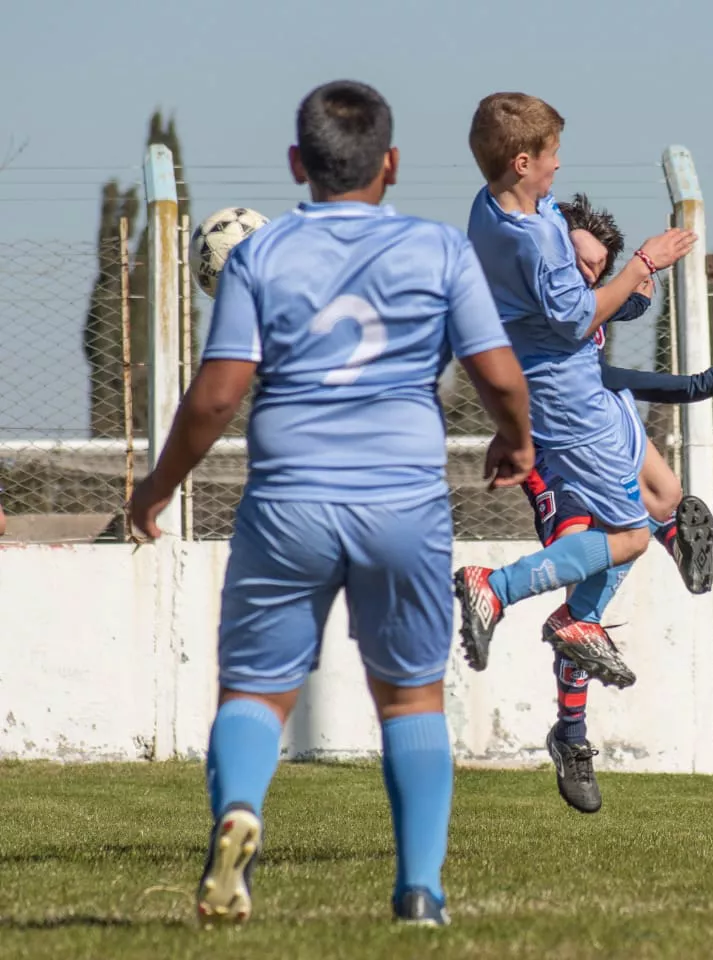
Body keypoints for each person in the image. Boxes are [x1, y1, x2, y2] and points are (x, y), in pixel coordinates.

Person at [128, 80, 532, 929]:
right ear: (390, 163)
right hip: (402, 503)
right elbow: (498, 374)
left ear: (296, 165)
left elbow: (215, 397)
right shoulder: (438, 251)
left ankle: (241, 811)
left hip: (290, 504)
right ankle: (420, 891)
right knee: (412, 697)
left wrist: (158, 487)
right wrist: (517, 441)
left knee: (254, 690)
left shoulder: (260, 256)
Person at [456, 92, 696, 690]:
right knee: (630, 532)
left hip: (550, 392)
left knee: (652, 505)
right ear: (520, 162)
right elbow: (579, 320)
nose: (557, 166)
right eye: (550, 155)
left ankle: (579, 622)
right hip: (568, 399)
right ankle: (502, 589)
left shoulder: (488, 208)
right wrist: (642, 264)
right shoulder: (536, 242)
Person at [534, 194, 713, 812]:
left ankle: (670, 523)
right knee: (583, 590)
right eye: (576, 258)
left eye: (594, 268)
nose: (584, 273)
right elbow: (608, 378)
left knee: (659, 492)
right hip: (552, 457)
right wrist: (696, 385)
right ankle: (570, 732)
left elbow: (623, 305)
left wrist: (638, 283)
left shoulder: (585, 300)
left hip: (600, 435)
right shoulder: (538, 303)